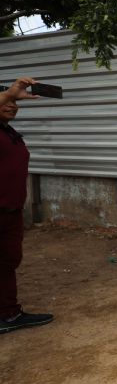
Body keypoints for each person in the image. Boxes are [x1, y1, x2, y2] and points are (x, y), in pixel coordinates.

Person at [0, 78, 54, 334]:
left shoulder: (8, 132)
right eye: (7, 101)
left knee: (8, 261)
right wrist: (10, 92)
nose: (12, 106)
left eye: (14, 102)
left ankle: (9, 314)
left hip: (10, 211)